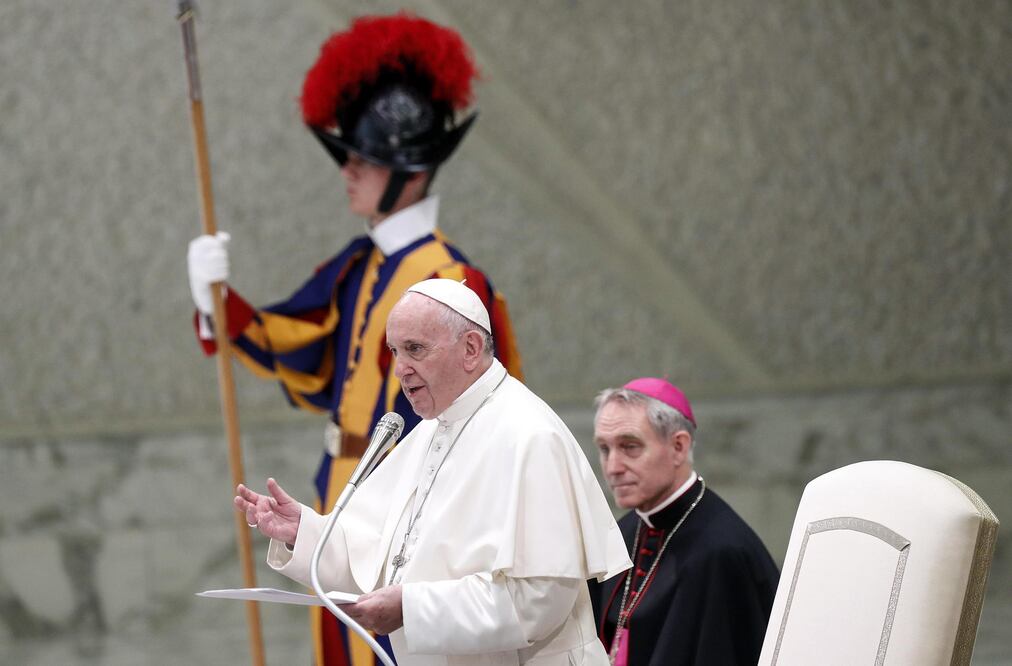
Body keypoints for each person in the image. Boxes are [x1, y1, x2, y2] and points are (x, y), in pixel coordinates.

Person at [185, 14, 523, 663]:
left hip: (412, 511)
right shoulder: (360, 265)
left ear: (409, 169)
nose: (348, 171)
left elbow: (486, 431)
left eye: (364, 159)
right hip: (341, 496)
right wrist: (217, 303)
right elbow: (304, 348)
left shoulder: (455, 280)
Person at [235, 279, 631, 665]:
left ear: (471, 349)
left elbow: (538, 601)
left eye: (415, 349)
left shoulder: (529, 435)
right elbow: (379, 560)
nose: (400, 370)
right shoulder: (430, 431)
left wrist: (411, 607)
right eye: (394, 351)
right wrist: (303, 532)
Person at [588, 378, 779, 666]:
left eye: (630, 447)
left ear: (678, 446)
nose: (613, 467)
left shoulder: (722, 552)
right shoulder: (620, 535)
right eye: (605, 449)